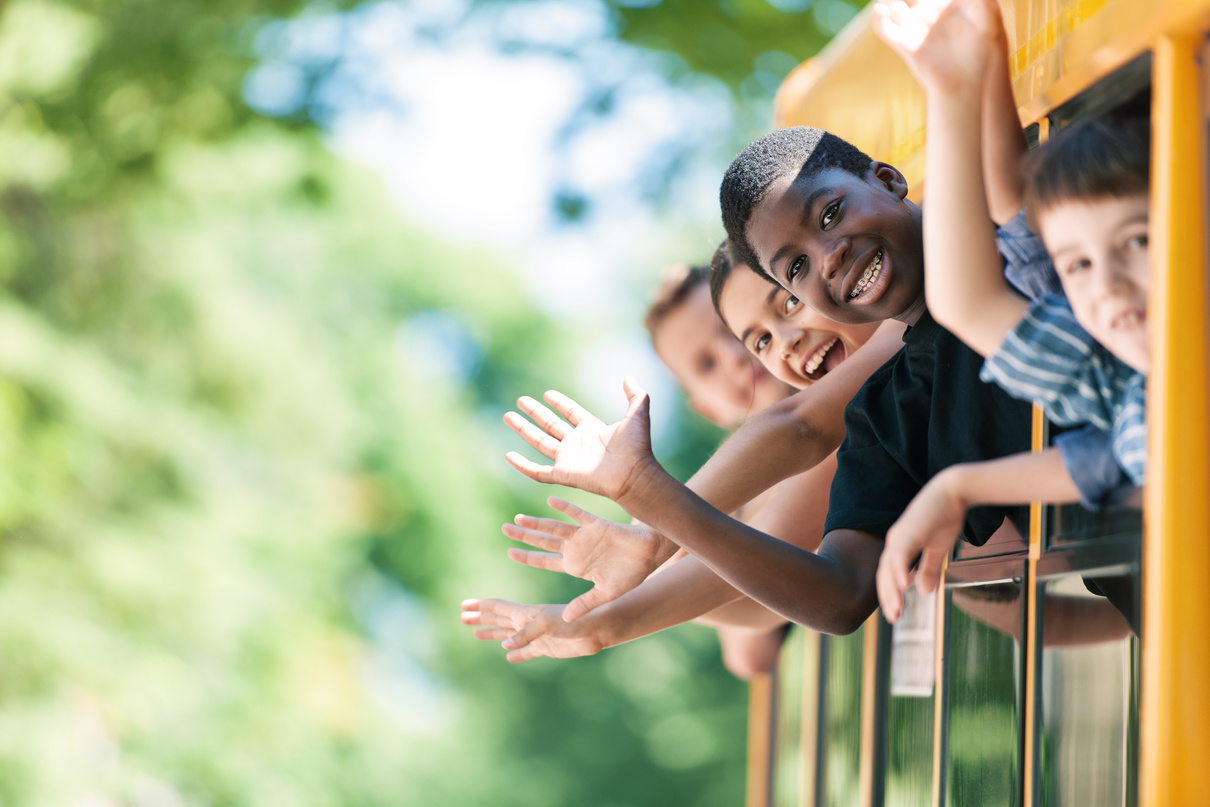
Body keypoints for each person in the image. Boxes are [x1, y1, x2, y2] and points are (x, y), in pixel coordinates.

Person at [869, 0, 1150, 621]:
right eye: (1076, 265)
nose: (1106, 285)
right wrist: (953, 88)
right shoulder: (1129, 383)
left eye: (1139, 241)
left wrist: (960, 88)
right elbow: (973, 298)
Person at [462, 258, 882, 667]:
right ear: (706, 409)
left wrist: (651, 547)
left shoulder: (843, 406)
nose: (734, 357)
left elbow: (798, 430)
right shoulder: (740, 484)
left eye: (734, 335)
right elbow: (756, 619)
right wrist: (629, 590)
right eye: (706, 363)